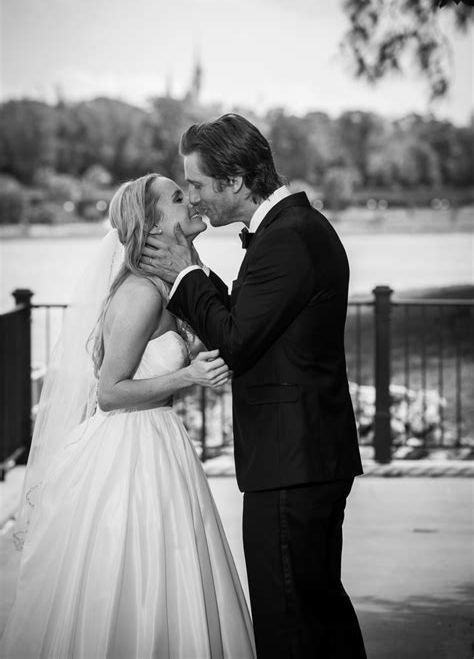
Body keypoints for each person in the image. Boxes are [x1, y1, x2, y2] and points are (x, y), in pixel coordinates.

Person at [139, 114, 367, 658]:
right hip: (301, 457)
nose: (193, 200)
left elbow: (237, 341)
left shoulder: (289, 238)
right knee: (315, 610)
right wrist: (191, 268)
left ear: (234, 181)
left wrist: (182, 275)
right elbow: (250, 318)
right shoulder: (290, 231)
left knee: (289, 619)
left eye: (196, 185)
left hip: (293, 459)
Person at [1, 174, 256, 659]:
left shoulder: (168, 286)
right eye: (180, 198)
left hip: (161, 440)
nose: (193, 199)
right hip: (130, 450)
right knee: (137, 573)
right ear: (154, 226)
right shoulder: (141, 293)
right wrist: (189, 379)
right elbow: (109, 393)